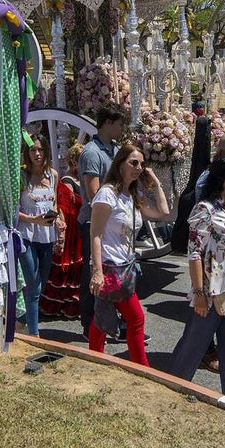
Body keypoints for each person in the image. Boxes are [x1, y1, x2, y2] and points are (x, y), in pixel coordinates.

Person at [168, 152, 225, 406]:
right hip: (208, 294)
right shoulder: (204, 209)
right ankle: (171, 389)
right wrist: (199, 293)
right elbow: (195, 253)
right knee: (193, 345)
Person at [86, 143, 170, 365]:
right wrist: (97, 272)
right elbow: (95, 234)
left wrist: (156, 183)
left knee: (102, 317)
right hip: (110, 266)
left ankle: (94, 360)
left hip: (126, 267)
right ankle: (141, 366)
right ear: (120, 164)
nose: (139, 167)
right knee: (135, 318)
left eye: (142, 164)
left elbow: (163, 212)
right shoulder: (107, 194)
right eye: (134, 162)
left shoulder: (132, 195)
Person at [78, 104, 126, 338]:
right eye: (119, 123)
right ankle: (89, 324)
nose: (121, 128)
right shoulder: (91, 153)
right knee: (93, 274)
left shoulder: (114, 149)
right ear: (108, 123)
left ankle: (113, 322)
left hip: (112, 221)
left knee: (115, 275)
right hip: (93, 222)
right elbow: (93, 193)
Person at [16, 134, 59, 336]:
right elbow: (13, 210)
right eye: (33, 150)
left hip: (47, 235)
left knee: (41, 285)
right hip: (28, 235)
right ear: (27, 152)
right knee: (33, 288)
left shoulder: (53, 175)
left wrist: (58, 219)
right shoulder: (21, 177)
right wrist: (35, 220)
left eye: (40, 150)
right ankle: (34, 335)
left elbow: (54, 202)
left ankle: (21, 320)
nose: (37, 154)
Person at [43, 143, 84, 319]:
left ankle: (72, 305)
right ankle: (58, 305)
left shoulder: (83, 180)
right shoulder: (68, 181)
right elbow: (64, 207)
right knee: (66, 267)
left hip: (79, 228)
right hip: (71, 228)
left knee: (77, 266)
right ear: (74, 161)